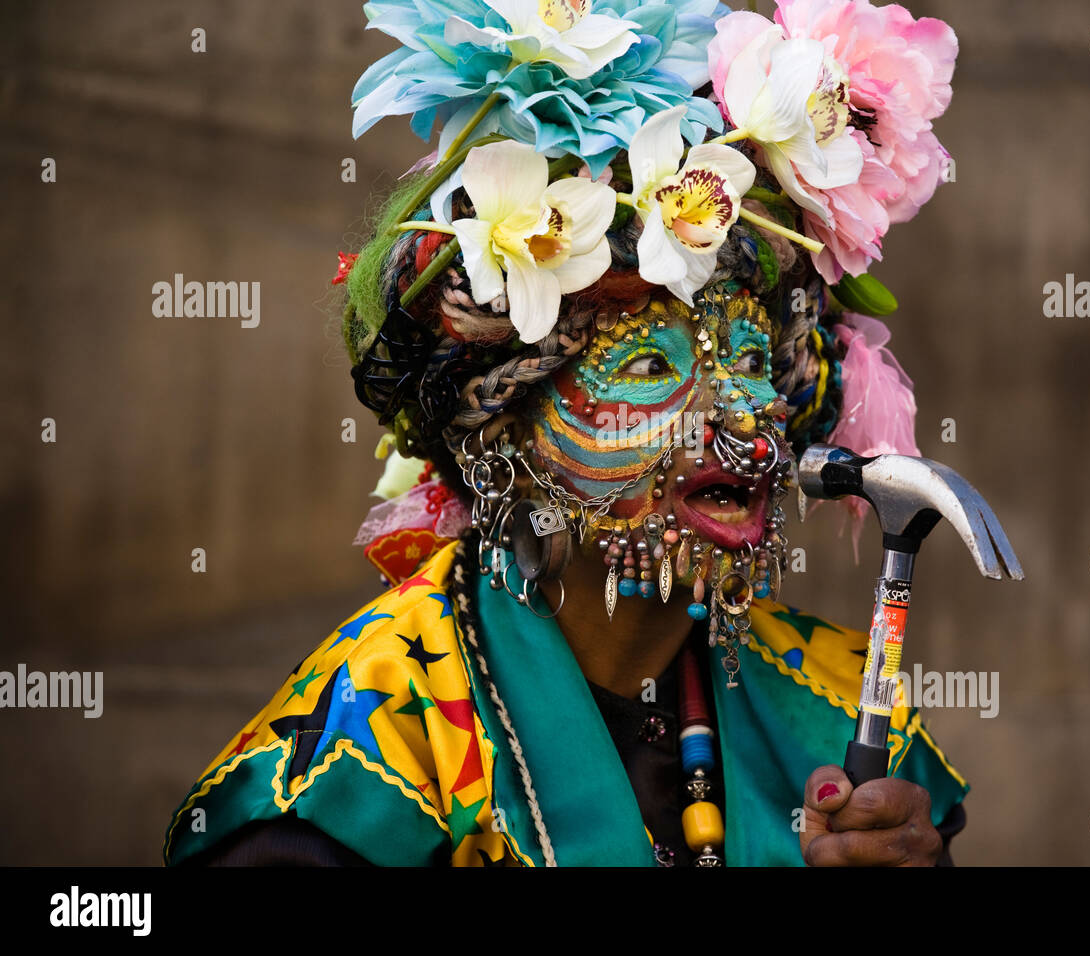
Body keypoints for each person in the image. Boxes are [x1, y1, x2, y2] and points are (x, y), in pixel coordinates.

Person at [164, 0, 967, 867]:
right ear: (500, 430)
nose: (744, 421)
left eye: (750, 361)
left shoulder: (842, 720)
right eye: (654, 372)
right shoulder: (369, 760)